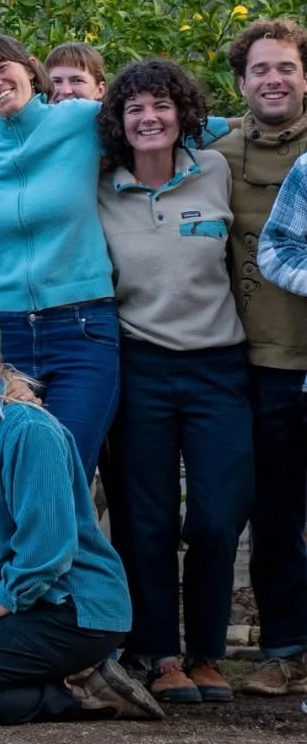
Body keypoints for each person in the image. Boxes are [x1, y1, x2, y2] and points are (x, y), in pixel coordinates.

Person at [0, 296, 163, 726]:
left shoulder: (29, 429)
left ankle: (83, 695)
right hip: (16, 605)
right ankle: (68, 676)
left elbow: (47, 549)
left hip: (70, 608)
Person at [96, 59, 252, 706]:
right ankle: (161, 654)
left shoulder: (215, 167)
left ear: (183, 113)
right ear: (119, 123)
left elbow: (249, 124)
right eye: (135, 109)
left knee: (218, 516)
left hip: (220, 366)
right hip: (142, 366)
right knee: (148, 519)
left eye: (162, 105)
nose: (150, 118)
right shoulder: (100, 185)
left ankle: (208, 653)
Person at [0, 31, 119, 474]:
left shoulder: (82, 119)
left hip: (82, 326)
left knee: (66, 470)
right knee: (15, 473)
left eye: (1, 68)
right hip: (6, 334)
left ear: (31, 68)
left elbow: (169, 125)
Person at [211, 18, 307, 696]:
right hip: (254, 357)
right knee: (272, 509)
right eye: (261, 70)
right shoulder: (221, 156)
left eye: (287, 68)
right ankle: (285, 647)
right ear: (241, 84)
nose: (274, 80)